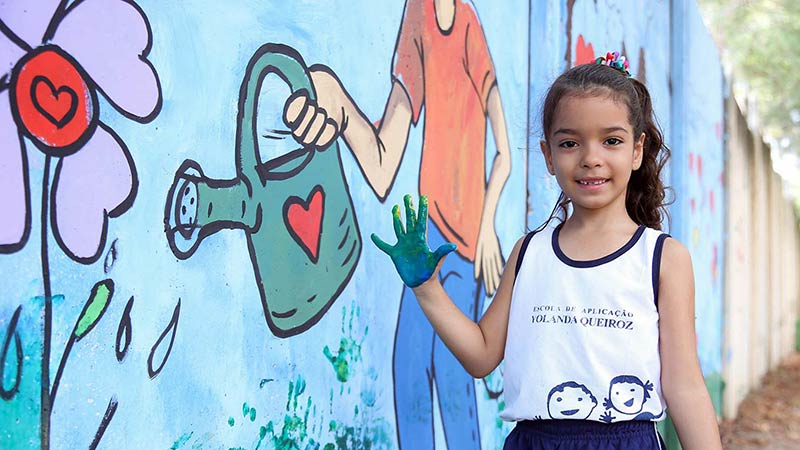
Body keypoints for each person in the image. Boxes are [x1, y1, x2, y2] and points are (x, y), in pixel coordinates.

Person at [371, 52, 723, 449]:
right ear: (548, 155)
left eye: (611, 141)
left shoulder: (662, 258)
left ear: (637, 151)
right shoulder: (529, 253)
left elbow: (685, 387)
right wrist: (427, 288)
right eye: (570, 142)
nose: (591, 158)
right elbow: (483, 355)